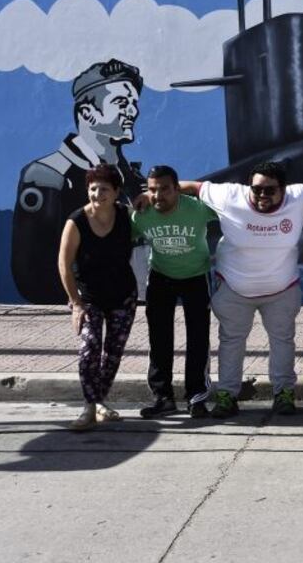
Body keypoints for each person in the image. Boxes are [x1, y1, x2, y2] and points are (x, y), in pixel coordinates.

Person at [182, 161, 303, 419]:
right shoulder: (229, 195)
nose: (262, 196)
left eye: (270, 190)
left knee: (283, 342)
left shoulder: (298, 195)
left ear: (284, 189)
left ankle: (284, 394)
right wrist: (148, 194)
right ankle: (226, 396)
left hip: (282, 288)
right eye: (257, 189)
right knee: (231, 343)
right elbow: (192, 187)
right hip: (234, 288)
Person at [14, 59, 147, 304]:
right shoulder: (48, 174)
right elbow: (33, 271)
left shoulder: (134, 179)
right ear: (88, 113)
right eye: (120, 102)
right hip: (89, 302)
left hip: (127, 300)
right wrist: (79, 299)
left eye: (133, 103)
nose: (132, 111)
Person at [132, 165, 218, 419]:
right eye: (153, 190)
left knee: (198, 339)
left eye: (165, 189)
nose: (158, 196)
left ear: (178, 189)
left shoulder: (198, 209)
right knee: (159, 338)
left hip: (196, 276)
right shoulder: (140, 215)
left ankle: (197, 397)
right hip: (160, 276)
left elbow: (231, 208)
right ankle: (163, 398)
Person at [57, 164, 137, 431]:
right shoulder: (77, 221)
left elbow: (151, 216)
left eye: (104, 189)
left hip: (123, 295)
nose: (97, 194)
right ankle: (89, 407)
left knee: (113, 353)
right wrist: (76, 303)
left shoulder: (127, 216)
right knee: (89, 349)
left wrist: (147, 198)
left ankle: (100, 402)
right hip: (90, 298)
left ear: (116, 192)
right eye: (93, 188)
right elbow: (64, 265)